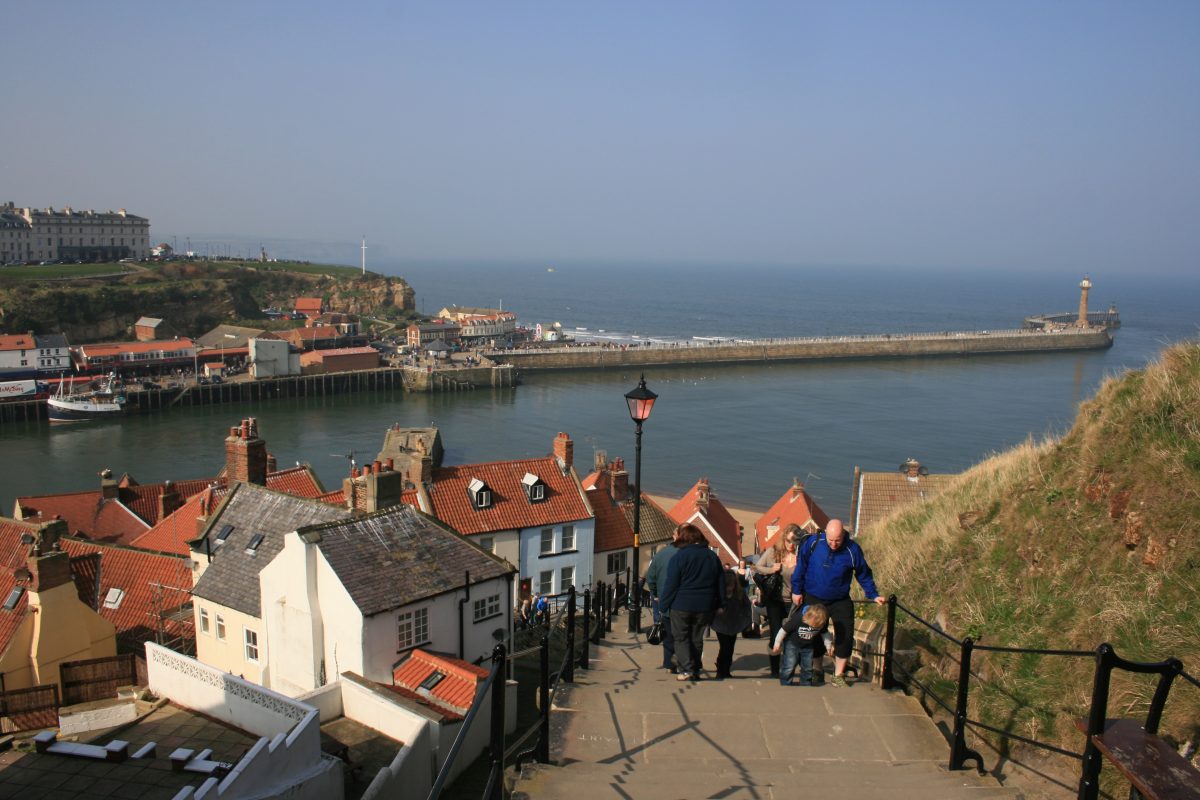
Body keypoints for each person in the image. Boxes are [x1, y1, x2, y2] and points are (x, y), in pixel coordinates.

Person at [791, 519, 887, 687]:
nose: (834, 544)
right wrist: (796, 590)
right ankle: (817, 670)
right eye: (831, 540)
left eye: (837, 540)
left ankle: (839, 675)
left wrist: (873, 595)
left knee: (845, 635)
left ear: (843, 535)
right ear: (825, 534)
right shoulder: (813, 543)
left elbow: (863, 573)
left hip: (840, 599)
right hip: (814, 596)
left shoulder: (852, 549)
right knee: (813, 633)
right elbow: (801, 567)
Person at [659, 523, 724, 682]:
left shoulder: (679, 557)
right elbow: (720, 582)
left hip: (681, 604)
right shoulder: (712, 557)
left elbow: (671, 584)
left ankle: (686, 669)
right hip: (705, 605)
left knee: (681, 638)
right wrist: (721, 604)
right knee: (696, 638)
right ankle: (694, 669)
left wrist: (663, 605)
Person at [752, 525, 803, 677]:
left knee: (792, 635)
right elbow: (757, 567)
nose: (791, 545)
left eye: (795, 541)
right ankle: (774, 669)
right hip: (775, 600)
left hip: (794, 601)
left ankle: (788, 668)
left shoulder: (802, 556)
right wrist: (771, 569)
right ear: (783, 539)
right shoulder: (773, 552)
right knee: (775, 634)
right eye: (788, 541)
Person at [645, 525, 682, 671]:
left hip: (665, 601)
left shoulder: (661, 555)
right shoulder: (690, 554)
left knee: (668, 634)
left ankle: (669, 664)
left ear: (674, 536)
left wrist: (655, 594)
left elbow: (650, 577)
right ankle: (686, 664)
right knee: (685, 634)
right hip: (685, 602)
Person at [771, 603, 829, 686]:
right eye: (812, 625)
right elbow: (783, 630)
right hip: (792, 645)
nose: (813, 628)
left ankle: (805, 683)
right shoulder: (797, 619)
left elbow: (825, 634)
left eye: (816, 627)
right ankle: (785, 683)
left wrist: (829, 646)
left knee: (807, 667)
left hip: (808, 647)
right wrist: (777, 643)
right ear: (807, 618)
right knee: (789, 665)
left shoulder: (820, 623)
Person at [710, 567, 752, 679]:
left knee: (730, 647)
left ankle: (726, 670)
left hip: (734, 624)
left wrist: (747, 622)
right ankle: (720, 669)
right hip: (720, 624)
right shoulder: (718, 594)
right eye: (727, 586)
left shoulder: (740, 593)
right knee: (725, 647)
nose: (729, 588)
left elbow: (747, 607)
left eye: (731, 585)